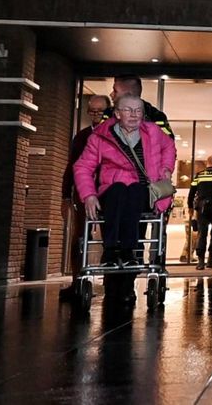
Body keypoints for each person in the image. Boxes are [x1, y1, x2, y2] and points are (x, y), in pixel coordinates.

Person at [72, 94, 176, 302]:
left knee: (135, 190)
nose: (134, 115)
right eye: (128, 110)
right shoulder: (100, 137)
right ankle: (111, 252)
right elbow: (82, 167)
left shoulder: (152, 131)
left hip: (143, 193)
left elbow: (169, 147)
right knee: (120, 188)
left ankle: (127, 254)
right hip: (113, 192)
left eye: (138, 111)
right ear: (117, 113)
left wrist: (166, 168)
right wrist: (89, 195)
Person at [58, 94, 109, 301]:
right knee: (79, 237)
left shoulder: (114, 134)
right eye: (92, 111)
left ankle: (110, 282)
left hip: (106, 191)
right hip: (82, 192)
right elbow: (72, 166)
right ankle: (77, 279)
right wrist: (65, 195)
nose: (95, 115)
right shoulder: (81, 137)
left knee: (110, 236)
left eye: (100, 111)